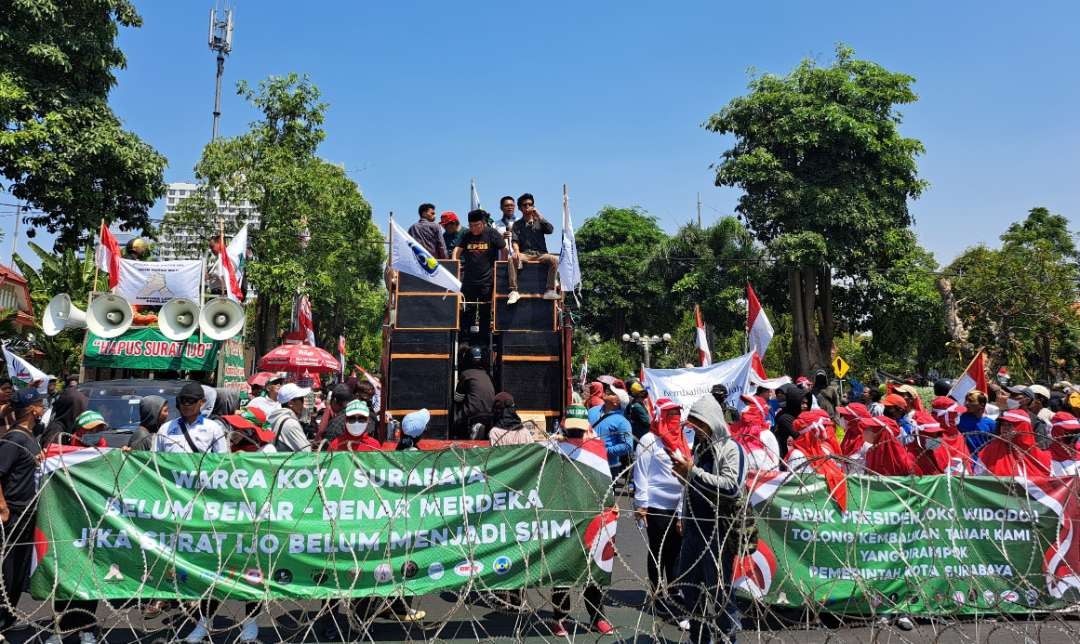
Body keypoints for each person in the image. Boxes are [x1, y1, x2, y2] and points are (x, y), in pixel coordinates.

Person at [669, 395, 745, 644]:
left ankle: (727, 639)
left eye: (700, 424)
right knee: (690, 586)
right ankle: (699, 637)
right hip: (695, 530)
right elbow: (693, 486)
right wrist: (684, 476)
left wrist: (692, 472)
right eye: (694, 424)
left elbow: (731, 487)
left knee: (719, 592)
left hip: (718, 532)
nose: (697, 430)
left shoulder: (730, 449)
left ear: (712, 421)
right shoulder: (700, 448)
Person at [551, 405, 613, 636]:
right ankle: (560, 618)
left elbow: (605, 482)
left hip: (590, 515)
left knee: (592, 570)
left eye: (578, 431)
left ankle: (598, 617)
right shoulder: (553, 448)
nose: (574, 436)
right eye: (571, 431)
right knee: (562, 572)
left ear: (587, 429)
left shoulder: (596, 449)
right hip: (562, 515)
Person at [633, 405, 691, 632]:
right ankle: (657, 593)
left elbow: (686, 473)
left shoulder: (682, 440)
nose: (675, 420)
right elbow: (641, 473)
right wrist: (642, 505)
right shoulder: (649, 440)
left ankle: (674, 591)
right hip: (655, 504)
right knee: (658, 548)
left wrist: (682, 510)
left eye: (677, 416)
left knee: (676, 551)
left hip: (678, 505)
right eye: (670, 416)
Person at [0, 389, 44, 640]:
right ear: (32, 410)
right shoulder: (13, 439)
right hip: (14, 514)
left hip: (28, 513)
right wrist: (3, 507)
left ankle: (8, 617)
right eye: (40, 404)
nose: (43, 408)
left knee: (17, 571)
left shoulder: (29, 437)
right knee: (6, 572)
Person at [453, 209, 505, 336]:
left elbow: (504, 249)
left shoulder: (492, 233)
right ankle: (465, 341)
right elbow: (456, 251)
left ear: (483, 223)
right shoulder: (466, 234)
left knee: (484, 311)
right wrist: (455, 263)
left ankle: (483, 342)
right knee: (467, 311)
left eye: (476, 225)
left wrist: (500, 267)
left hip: (486, 280)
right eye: (471, 225)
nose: (473, 229)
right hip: (468, 281)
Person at [786, 410, 847, 510]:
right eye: (822, 428)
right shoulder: (798, 455)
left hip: (823, 505)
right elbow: (795, 488)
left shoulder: (821, 450)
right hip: (807, 507)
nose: (824, 432)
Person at [506, 193, 561, 304]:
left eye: (530, 204)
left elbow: (550, 230)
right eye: (525, 205)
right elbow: (514, 241)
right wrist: (516, 252)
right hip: (525, 254)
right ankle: (514, 291)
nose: (528, 207)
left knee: (554, 259)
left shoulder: (539, 221)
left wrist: (538, 215)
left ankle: (550, 290)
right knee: (512, 258)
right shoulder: (517, 225)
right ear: (520, 208)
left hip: (541, 254)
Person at [973, 410, 1051, 477]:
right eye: (1003, 424)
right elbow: (977, 477)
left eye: (1010, 425)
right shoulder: (990, 451)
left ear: (1023, 428)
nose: (1005, 428)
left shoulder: (1040, 458)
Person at [588, 389, 634, 481]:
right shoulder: (592, 411)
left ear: (617, 403)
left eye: (613, 394)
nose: (608, 392)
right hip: (586, 462)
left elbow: (627, 445)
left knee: (604, 495)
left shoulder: (622, 422)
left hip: (608, 466)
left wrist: (603, 450)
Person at [908, 410, 970, 475]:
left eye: (938, 434)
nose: (936, 439)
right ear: (918, 434)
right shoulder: (911, 456)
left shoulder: (940, 448)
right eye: (931, 435)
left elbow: (949, 468)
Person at [729, 394, 780, 472]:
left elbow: (775, 461)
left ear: (758, 409)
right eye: (745, 404)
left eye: (749, 404)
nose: (745, 407)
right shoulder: (738, 430)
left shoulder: (766, 434)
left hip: (762, 478)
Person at [454, 346, 495, 439]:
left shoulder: (466, 374)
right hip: (490, 412)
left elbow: (458, 398)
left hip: (473, 412)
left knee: (457, 421)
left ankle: (463, 438)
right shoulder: (486, 374)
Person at [267, 383, 314, 452]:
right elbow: (307, 452)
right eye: (302, 399)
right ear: (291, 403)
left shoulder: (278, 417)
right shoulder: (290, 423)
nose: (304, 403)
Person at [774, 383, 810, 459]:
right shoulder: (785, 417)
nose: (805, 406)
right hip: (784, 457)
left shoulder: (797, 415)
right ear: (795, 402)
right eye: (802, 403)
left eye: (806, 403)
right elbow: (799, 437)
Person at [958, 390, 996, 455]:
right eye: (966, 400)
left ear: (982, 405)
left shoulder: (991, 424)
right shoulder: (960, 418)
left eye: (971, 401)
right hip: (963, 458)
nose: (966, 403)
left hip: (980, 461)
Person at [492, 196, 517, 261]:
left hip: (517, 258)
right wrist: (501, 238)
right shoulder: (495, 224)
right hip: (501, 259)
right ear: (501, 208)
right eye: (507, 205)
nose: (510, 207)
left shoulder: (520, 222)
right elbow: (491, 243)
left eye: (512, 205)